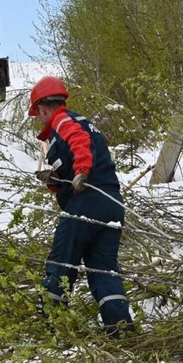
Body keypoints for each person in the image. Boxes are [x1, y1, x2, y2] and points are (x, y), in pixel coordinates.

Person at [30, 76, 133, 338]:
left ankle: (52, 328)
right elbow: (71, 166)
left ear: (43, 108)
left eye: (38, 114)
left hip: (86, 202)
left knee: (61, 262)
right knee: (103, 269)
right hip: (111, 204)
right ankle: (120, 331)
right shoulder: (82, 123)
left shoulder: (64, 121)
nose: (39, 119)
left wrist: (82, 171)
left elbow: (79, 144)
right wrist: (53, 182)